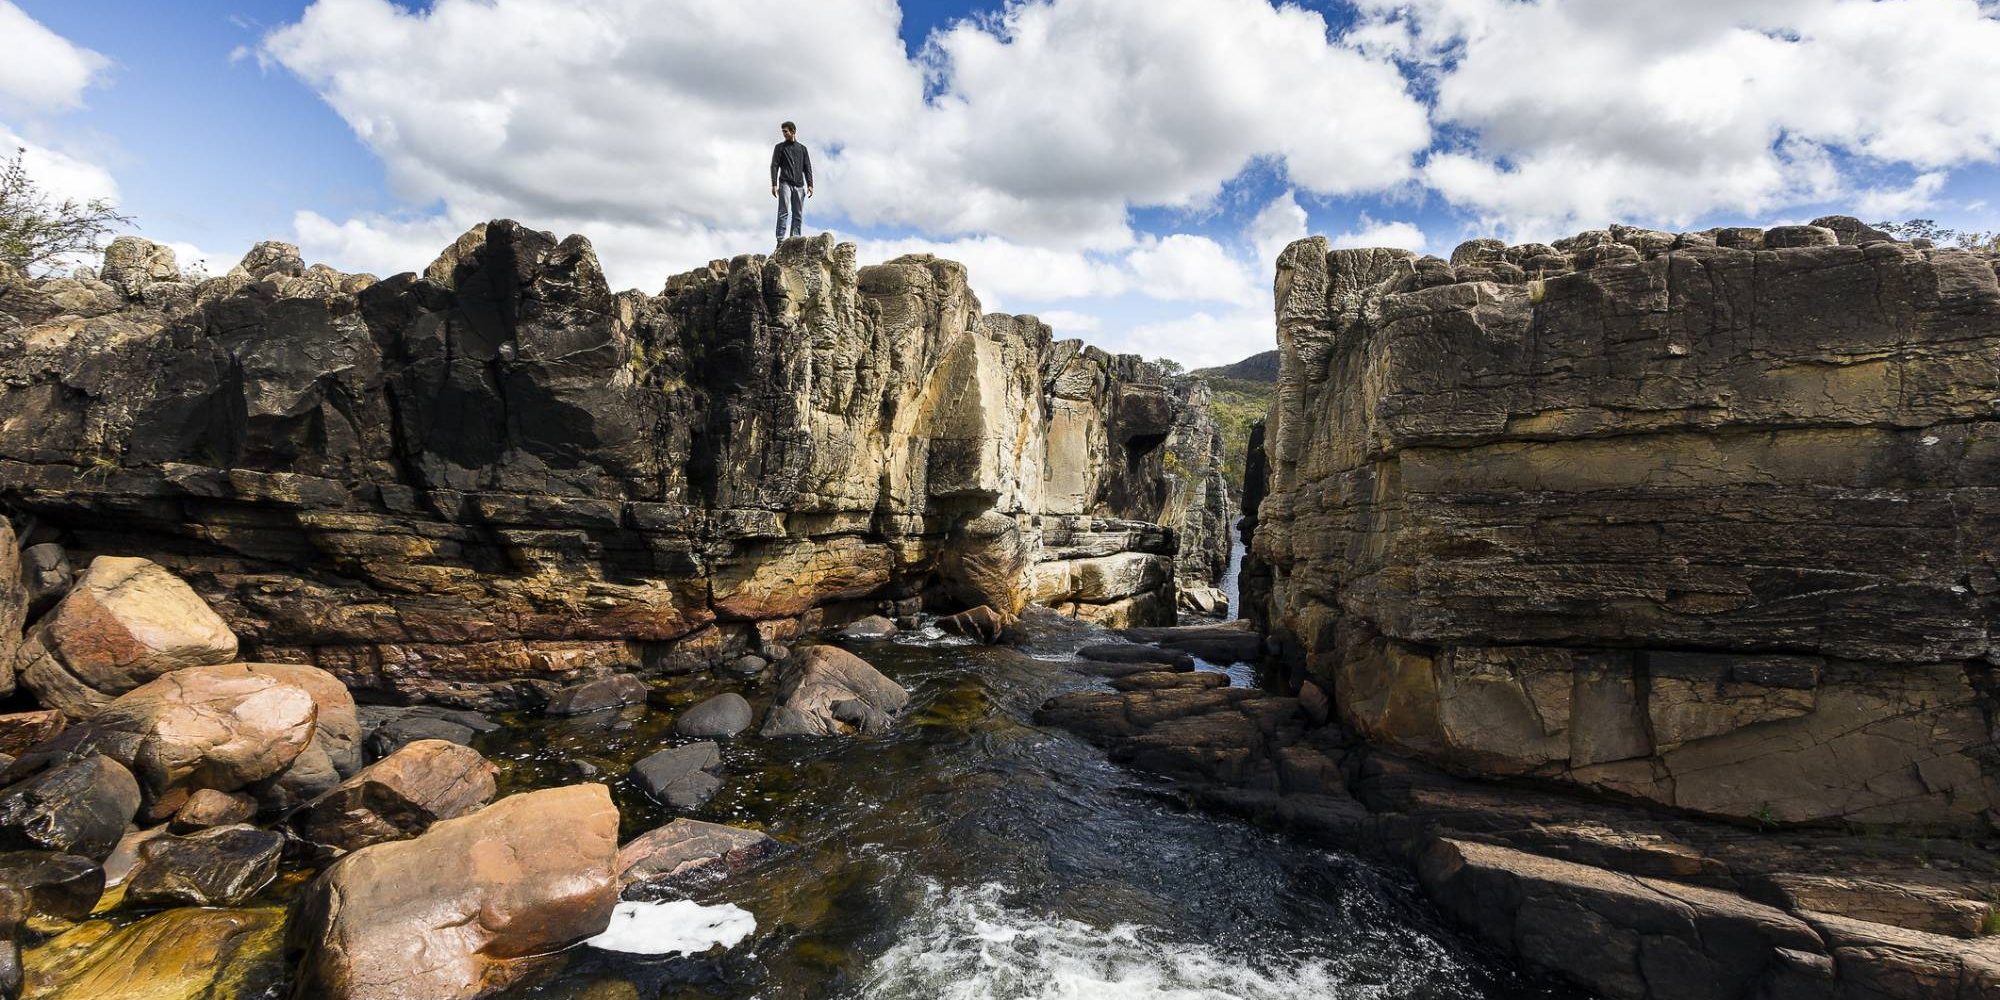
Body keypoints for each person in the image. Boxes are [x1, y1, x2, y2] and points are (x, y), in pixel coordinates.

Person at [770, 121, 814, 245]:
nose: (784, 134)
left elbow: (807, 167)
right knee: (783, 212)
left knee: (798, 214)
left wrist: (810, 184)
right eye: (783, 132)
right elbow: (774, 166)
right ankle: (780, 240)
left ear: (793, 131)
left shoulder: (802, 149)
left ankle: (794, 240)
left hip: (800, 185)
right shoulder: (780, 147)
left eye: (786, 131)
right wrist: (774, 184)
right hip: (785, 183)